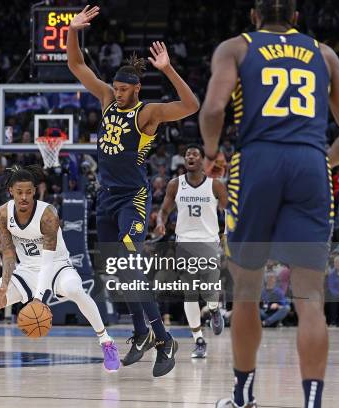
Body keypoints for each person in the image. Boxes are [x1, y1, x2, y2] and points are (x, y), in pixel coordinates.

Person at [199, 1, 339, 406]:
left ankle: (243, 397)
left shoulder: (237, 47)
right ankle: (313, 402)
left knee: (246, 289)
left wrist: (211, 153)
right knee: (310, 296)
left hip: (257, 161)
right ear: (297, 19)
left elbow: (212, 109)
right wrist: (325, 158)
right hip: (310, 164)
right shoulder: (324, 53)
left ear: (253, 16)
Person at [67, 6, 199, 376]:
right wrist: (73, 31)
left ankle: (164, 338)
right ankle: (141, 332)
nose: (120, 93)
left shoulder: (148, 113)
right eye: (118, 88)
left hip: (132, 198)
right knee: (115, 272)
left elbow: (191, 105)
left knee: (131, 264)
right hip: (105, 196)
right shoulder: (108, 99)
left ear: (137, 89)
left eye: (126, 89)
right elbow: (77, 67)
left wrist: (168, 69)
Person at [0, 165, 120, 378]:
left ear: (35, 191)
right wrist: (5, 284)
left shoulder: (48, 214)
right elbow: (8, 254)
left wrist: (38, 299)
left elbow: (47, 261)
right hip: (26, 269)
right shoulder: (1, 214)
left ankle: (106, 341)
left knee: (74, 290)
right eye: (19, 192)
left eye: (28, 191)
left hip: (57, 266)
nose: (24, 197)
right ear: (11, 191)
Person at [155, 144, 228, 358]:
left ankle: (214, 310)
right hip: (185, 243)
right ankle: (198, 339)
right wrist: (160, 221)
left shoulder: (215, 185)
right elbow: (165, 209)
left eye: (195, 154)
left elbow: (231, 209)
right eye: (187, 154)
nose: (190, 156)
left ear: (202, 160)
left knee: (210, 292)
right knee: (190, 294)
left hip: (209, 242)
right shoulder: (175, 185)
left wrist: (228, 235)